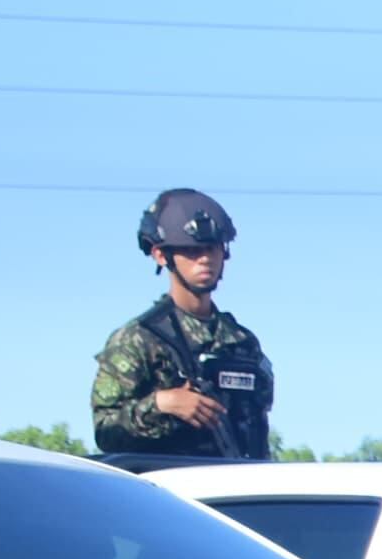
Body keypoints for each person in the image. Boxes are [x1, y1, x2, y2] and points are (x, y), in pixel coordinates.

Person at [90, 189, 273, 465]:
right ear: (162, 256)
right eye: (191, 250)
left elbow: (259, 429)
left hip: (238, 490)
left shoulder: (242, 343)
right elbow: (106, 430)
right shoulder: (139, 339)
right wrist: (164, 404)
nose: (204, 259)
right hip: (165, 496)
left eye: (212, 248)